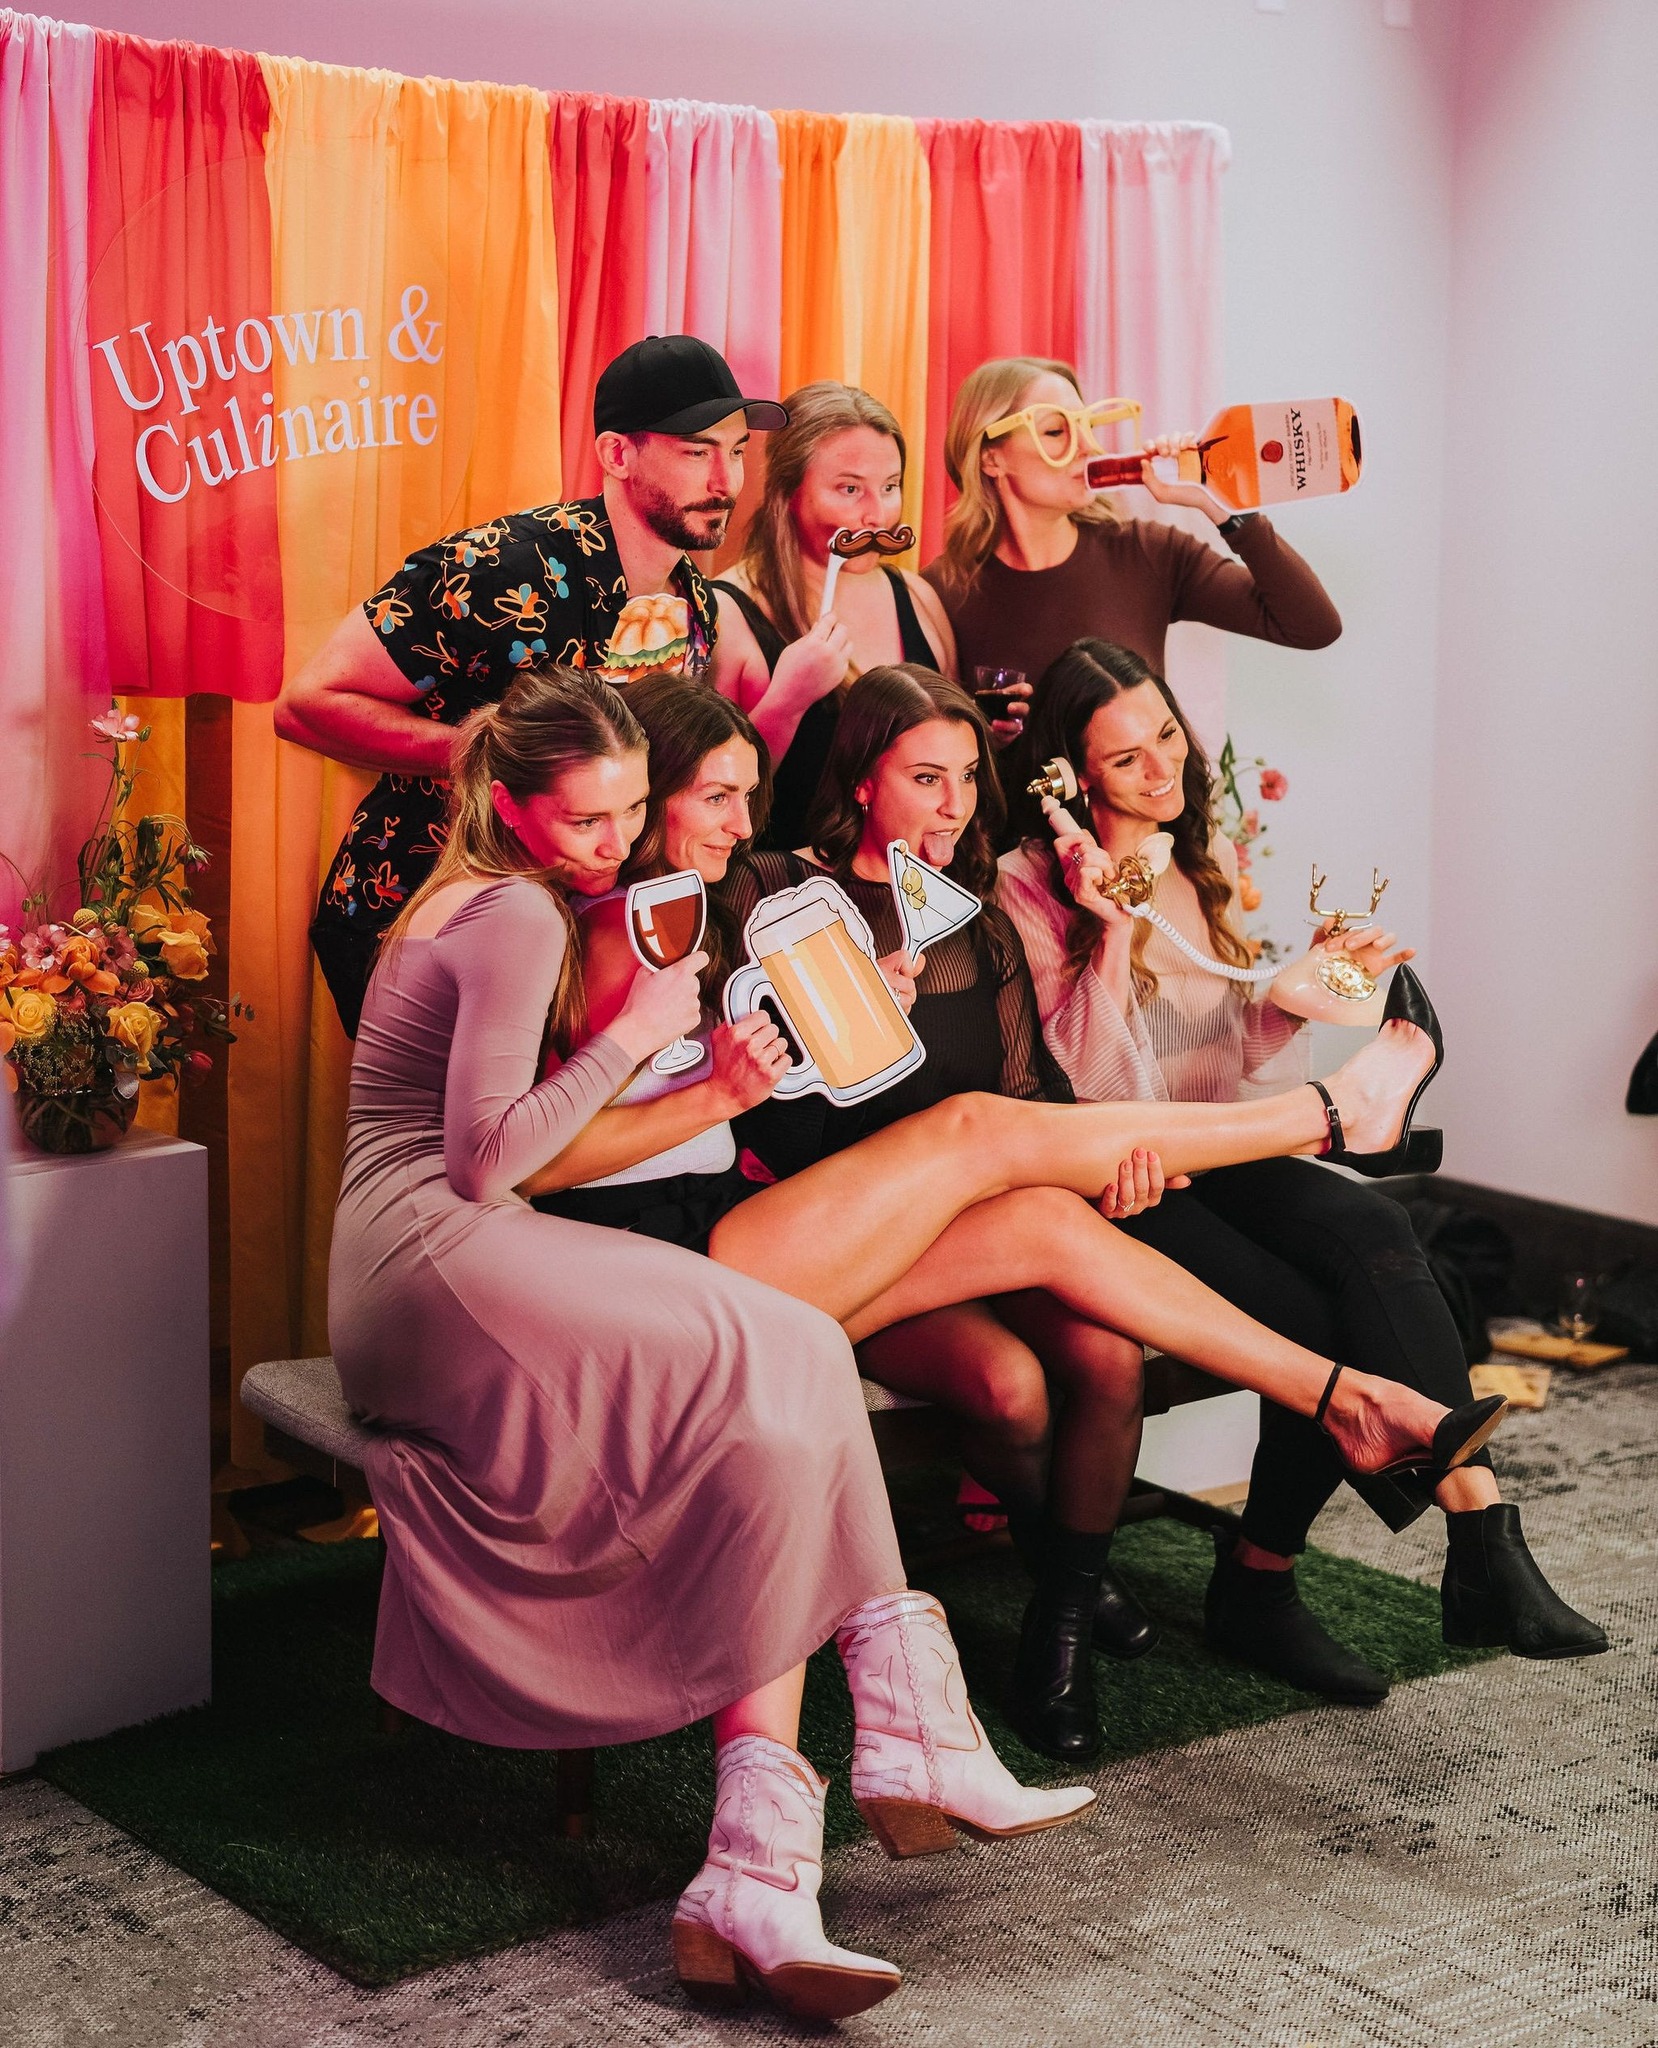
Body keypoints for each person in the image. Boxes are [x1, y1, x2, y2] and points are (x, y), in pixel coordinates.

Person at [529, 668, 1508, 1761]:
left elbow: (1040, 1091)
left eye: (743, 794)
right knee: (979, 1147)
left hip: (803, 1218)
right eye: (711, 795)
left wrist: (848, 1028)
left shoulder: (758, 914)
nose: (737, 818)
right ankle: (1325, 1116)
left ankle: (1349, 1396)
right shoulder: (672, 913)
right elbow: (544, 1148)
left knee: (1051, 1234)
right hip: (695, 1251)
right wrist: (779, 1057)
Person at [329, 662, 1093, 2022]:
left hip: (431, 1256)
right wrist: (633, 1031)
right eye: (584, 821)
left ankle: (768, 1855)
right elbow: (490, 1159)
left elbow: (523, 1134)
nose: (613, 844)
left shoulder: (505, 893)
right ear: (510, 805)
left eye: (628, 813)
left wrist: (698, 1064)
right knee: (784, 1350)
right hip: (436, 1260)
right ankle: (898, 1740)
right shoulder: (511, 913)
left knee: (789, 1351)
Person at [998, 637, 1607, 1700]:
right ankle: (1269, 1579)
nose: (1160, 769)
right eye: (1125, 757)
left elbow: (1226, 1059)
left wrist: (1293, 991)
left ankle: (1478, 1526)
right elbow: (1088, 1086)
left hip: (1212, 1142)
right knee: (1320, 1326)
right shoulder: (1029, 882)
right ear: (1071, 774)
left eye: (1165, 737)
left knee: (1382, 1232)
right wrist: (1100, 931)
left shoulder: (1195, 858)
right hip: (1116, 1173)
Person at [276, 334, 832, 1036]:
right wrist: (487, 754)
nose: (726, 479)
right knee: (466, 1144)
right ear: (617, 454)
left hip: (562, 929)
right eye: (698, 452)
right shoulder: (504, 567)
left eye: (737, 452)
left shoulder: (693, 597)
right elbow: (307, 704)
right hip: (419, 912)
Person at [921, 356, 1343, 730]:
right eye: (1056, 431)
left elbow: (1313, 627)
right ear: (990, 458)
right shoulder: (941, 592)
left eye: (1087, 426)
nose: (1088, 446)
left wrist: (1221, 503)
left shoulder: (1146, 553)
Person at [711, 381, 960, 853]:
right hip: (786, 895)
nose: (877, 514)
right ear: (788, 493)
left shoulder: (918, 597)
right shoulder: (727, 612)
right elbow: (709, 799)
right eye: (849, 489)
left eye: (889, 487)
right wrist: (788, 700)